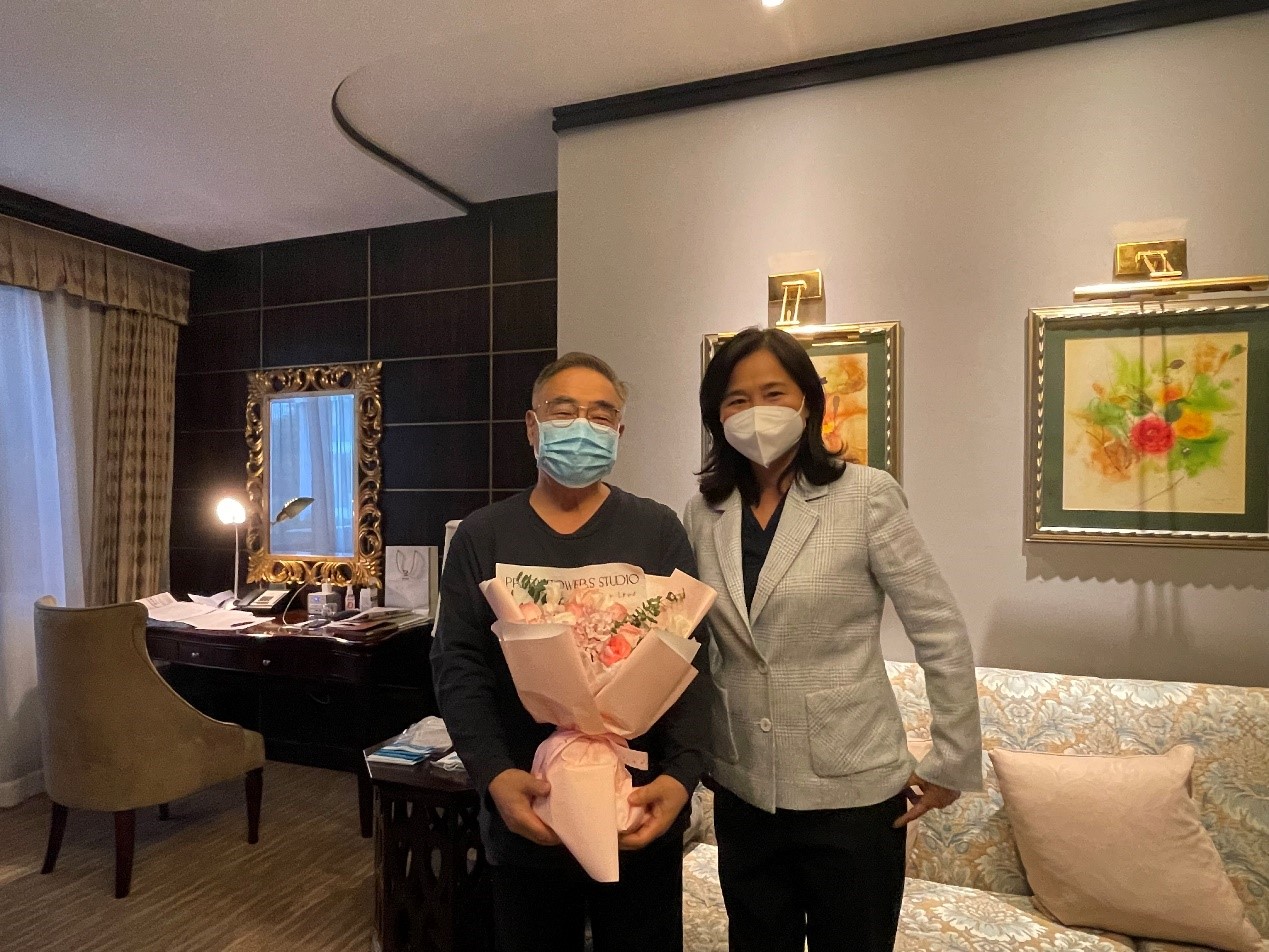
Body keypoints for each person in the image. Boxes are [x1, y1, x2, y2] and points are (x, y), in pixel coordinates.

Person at [683, 327, 982, 952]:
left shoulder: (866, 496)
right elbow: (693, 640)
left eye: (773, 393)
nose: (756, 411)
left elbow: (939, 629)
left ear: (808, 402)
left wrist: (952, 758)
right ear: (717, 414)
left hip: (852, 791)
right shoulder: (703, 512)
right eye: (737, 399)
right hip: (742, 788)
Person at [430, 352, 710, 952]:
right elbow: (459, 665)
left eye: (600, 415)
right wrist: (494, 774)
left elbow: (693, 659)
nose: (582, 427)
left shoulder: (657, 529)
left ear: (619, 432)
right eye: (563, 412)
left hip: (638, 809)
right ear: (532, 427)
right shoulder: (483, 535)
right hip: (529, 808)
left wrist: (682, 777)